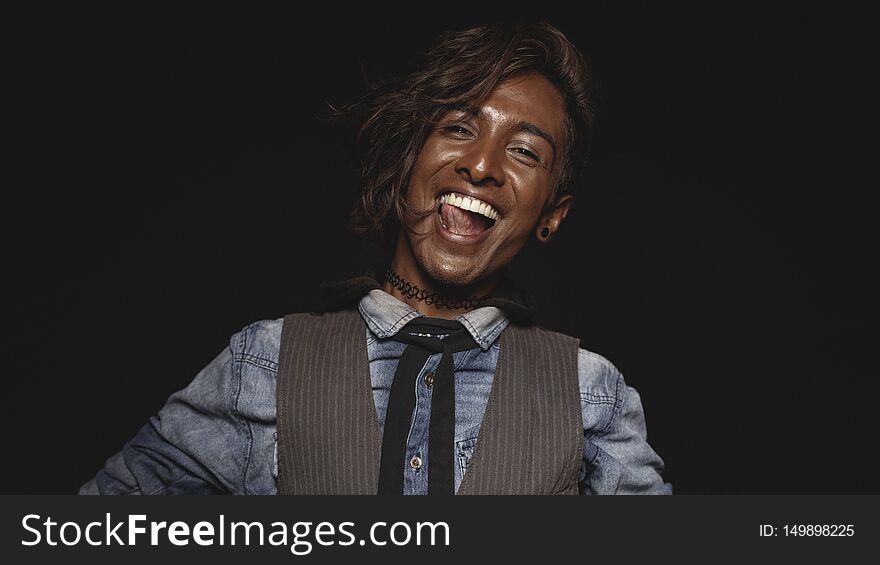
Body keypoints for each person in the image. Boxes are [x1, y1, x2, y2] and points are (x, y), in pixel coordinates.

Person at [79, 21, 672, 495]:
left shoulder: (589, 393)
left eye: (523, 150)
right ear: (408, 158)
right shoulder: (265, 363)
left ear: (552, 214)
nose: (484, 165)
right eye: (459, 127)